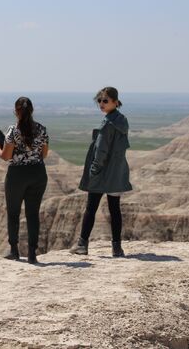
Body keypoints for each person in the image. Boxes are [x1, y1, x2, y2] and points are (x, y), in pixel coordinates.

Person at [70, 87, 132, 257]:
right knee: (115, 209)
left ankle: (82, 244)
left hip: (102, 172)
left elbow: (101, 151)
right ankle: (117, 248)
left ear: (115, 102)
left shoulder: (107, 124)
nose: (101, 104)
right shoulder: (122, 120)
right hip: (117, 171)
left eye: (105, 100)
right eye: (99, 100)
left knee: (91, 208)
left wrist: (94, 169)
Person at [0, 97, 49, 264]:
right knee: (33, 214)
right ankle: (32, 254)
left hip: (17, 175)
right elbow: (44, 154)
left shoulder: (13, 130)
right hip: (38, 173)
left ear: (16, 111)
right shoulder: (42, 129)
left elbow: (6, 156)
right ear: (32, 111)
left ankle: (14, 251)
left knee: (13, 213)